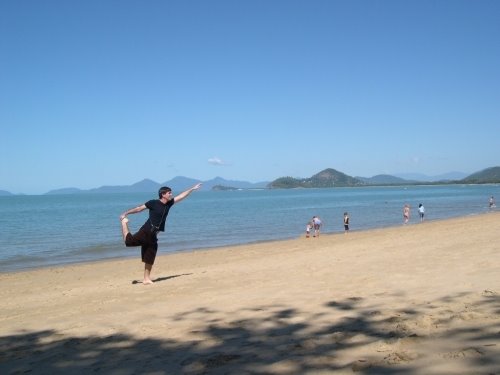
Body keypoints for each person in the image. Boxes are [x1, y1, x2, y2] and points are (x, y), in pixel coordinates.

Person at [119, 183, 202, 284]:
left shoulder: (169, 204)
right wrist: (126, 213)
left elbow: (181, 196)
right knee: (129, 242)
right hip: (146, 230)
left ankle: (146, 279)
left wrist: (192, 189)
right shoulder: (153, 203)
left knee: (150, 255)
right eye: (169, 193)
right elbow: (139, 209)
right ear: (163, 194)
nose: (171, 194)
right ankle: (124, 223)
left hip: (154, 234)